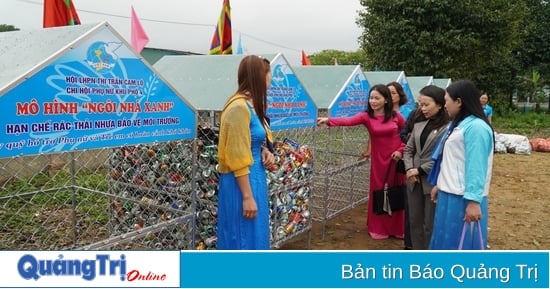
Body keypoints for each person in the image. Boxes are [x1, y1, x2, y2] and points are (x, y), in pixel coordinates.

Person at [318, 84, 406, 240]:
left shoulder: (395, 116)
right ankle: (379, 228)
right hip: (379, 162)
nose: (373, 101)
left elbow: (407, 134)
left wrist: (401, 150)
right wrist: (328, 120)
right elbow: (348, 121)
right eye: (371, 98)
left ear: (386, 100)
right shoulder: (366, 116)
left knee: (396, 191)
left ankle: (397, 228)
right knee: (379, 191)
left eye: (377, 98)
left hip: (396, 159)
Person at [216, 55, 275, 250]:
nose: (271, 80)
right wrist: (247, 197)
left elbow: (250, 139)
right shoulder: (238, 107)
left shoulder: (251, 105)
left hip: (254, 178)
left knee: (255, 235)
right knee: (242, 236)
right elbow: (236, 154)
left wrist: (265, 150)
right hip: (241, 183)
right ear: (260, 77)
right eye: (269, 76)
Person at [429, 80, 494, 250]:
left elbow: (476, 166)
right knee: (445, 243)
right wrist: (440, 184)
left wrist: (473, 201)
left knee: (459, 245)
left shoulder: (477, 128)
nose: (444, 106)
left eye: (446, 101)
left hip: (463, 198)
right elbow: (453, 160)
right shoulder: (459, 125)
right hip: (449, 194)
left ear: (459, 102)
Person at [403, 85, 449, 249]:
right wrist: (410, 169)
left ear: (439, 104)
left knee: (430, 223)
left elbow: (443, 156)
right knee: (414, 221)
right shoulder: (419, 125)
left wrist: (420, 170)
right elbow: (408, 150)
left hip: (432, 181)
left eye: (426, 104)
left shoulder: (448, 129)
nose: (422, 108)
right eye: (420, 104)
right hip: (413, 180)